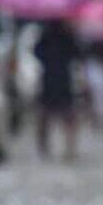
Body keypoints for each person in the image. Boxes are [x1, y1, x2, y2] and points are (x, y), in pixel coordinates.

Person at [33, 19, 83, 161]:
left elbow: (37, 52)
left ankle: (51, 146)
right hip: (58, 80)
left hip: (53, 80)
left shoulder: (48, 35)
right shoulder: (54, 35)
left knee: (50, 116)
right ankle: (66, 147)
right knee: (58, 115)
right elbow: (77, 54)